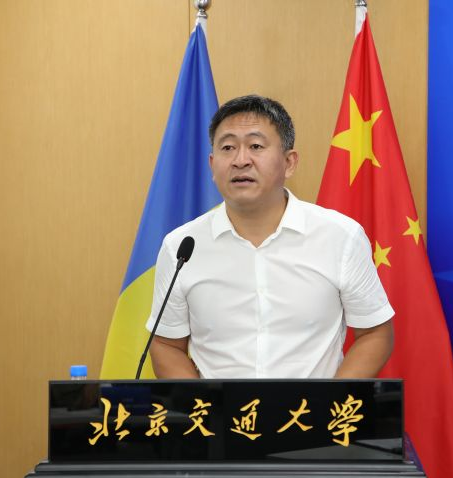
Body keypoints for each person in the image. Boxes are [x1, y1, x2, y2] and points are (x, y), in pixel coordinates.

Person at [146, 95, 394, 379]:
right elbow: (166, 345)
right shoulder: (181, 247)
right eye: (228, 148)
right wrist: (202, 405)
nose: (241, 160)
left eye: (256, 146)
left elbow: (375, 333)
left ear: (289, 162)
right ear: (212, 165)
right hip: (220, 409)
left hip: (310, 407)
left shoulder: (341, 237)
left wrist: (329, 401)